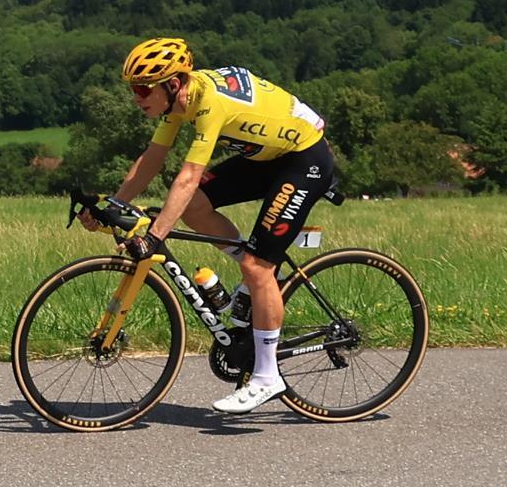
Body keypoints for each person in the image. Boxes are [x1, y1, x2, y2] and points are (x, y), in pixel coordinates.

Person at [83, 36, 335, 414]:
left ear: (172, 84)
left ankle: (267, 377)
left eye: (142, 89)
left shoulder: (209, 103)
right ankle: (262, 282)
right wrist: (113, 205)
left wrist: (154, 236)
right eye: (133, 89)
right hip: (267, 156)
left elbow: (187, 176)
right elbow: (152, 158)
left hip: (304, 160)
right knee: (196, 207)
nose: (136, 97)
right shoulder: (178, 103)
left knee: (256, 267)